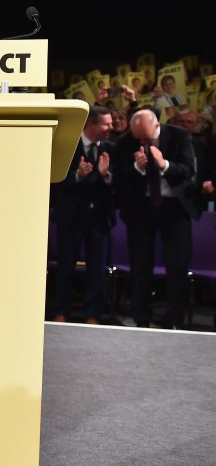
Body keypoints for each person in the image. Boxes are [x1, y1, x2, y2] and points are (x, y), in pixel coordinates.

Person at [112, 108, 201, 329]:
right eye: (138, 138)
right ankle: (141, 318)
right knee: (140, 265)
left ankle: (174, 320)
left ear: (157, 126)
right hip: (141, 208)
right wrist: (137, 168)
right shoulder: (125, 141)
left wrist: (164, 165)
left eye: (146, 138)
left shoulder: (179, 136)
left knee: (177, 265)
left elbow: (188, 171)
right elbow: (120, 179)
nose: (142, 142)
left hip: (175, 207)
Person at [49, 106, 116, 324]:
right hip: (71, 217)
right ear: (91, 124)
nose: (111, 127)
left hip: (99, 218)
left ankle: (93, 314)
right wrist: (77, 175)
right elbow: (55, 181)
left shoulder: (110, 148)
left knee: (97, 269)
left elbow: (119, 184)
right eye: (106, 124)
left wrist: (106, 175)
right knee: (66, 267)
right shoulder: (68, 146)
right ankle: (61, 311)